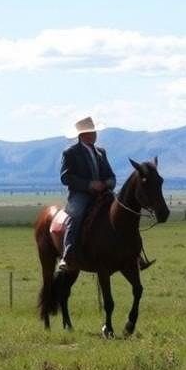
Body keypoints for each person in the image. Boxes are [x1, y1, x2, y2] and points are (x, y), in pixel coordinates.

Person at [57, 117, 115, 274]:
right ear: (81, 135)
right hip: (80, 195)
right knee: (75, 216)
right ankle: (68, 255)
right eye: (89, 132)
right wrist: (89, 184)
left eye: (94, 132)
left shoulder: (101, 152)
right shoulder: (70, 153)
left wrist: (108, 183)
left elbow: (111, 175)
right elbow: (65, 177)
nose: (93, 135)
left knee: (123, 211)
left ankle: (134, 254)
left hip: (103, 193)